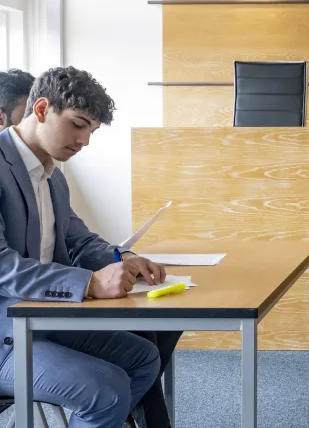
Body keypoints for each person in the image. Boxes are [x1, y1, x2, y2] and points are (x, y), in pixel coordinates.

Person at [0, 67, 177, 428]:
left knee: (144, 357)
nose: (84, 140)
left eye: (91, 131)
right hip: (5, 332)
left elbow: (78, 239)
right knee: (105, 391)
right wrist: (89, 284)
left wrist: (124, 258)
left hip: (41, 318)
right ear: (41, 109)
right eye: (78, 124)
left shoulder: (52, 174)